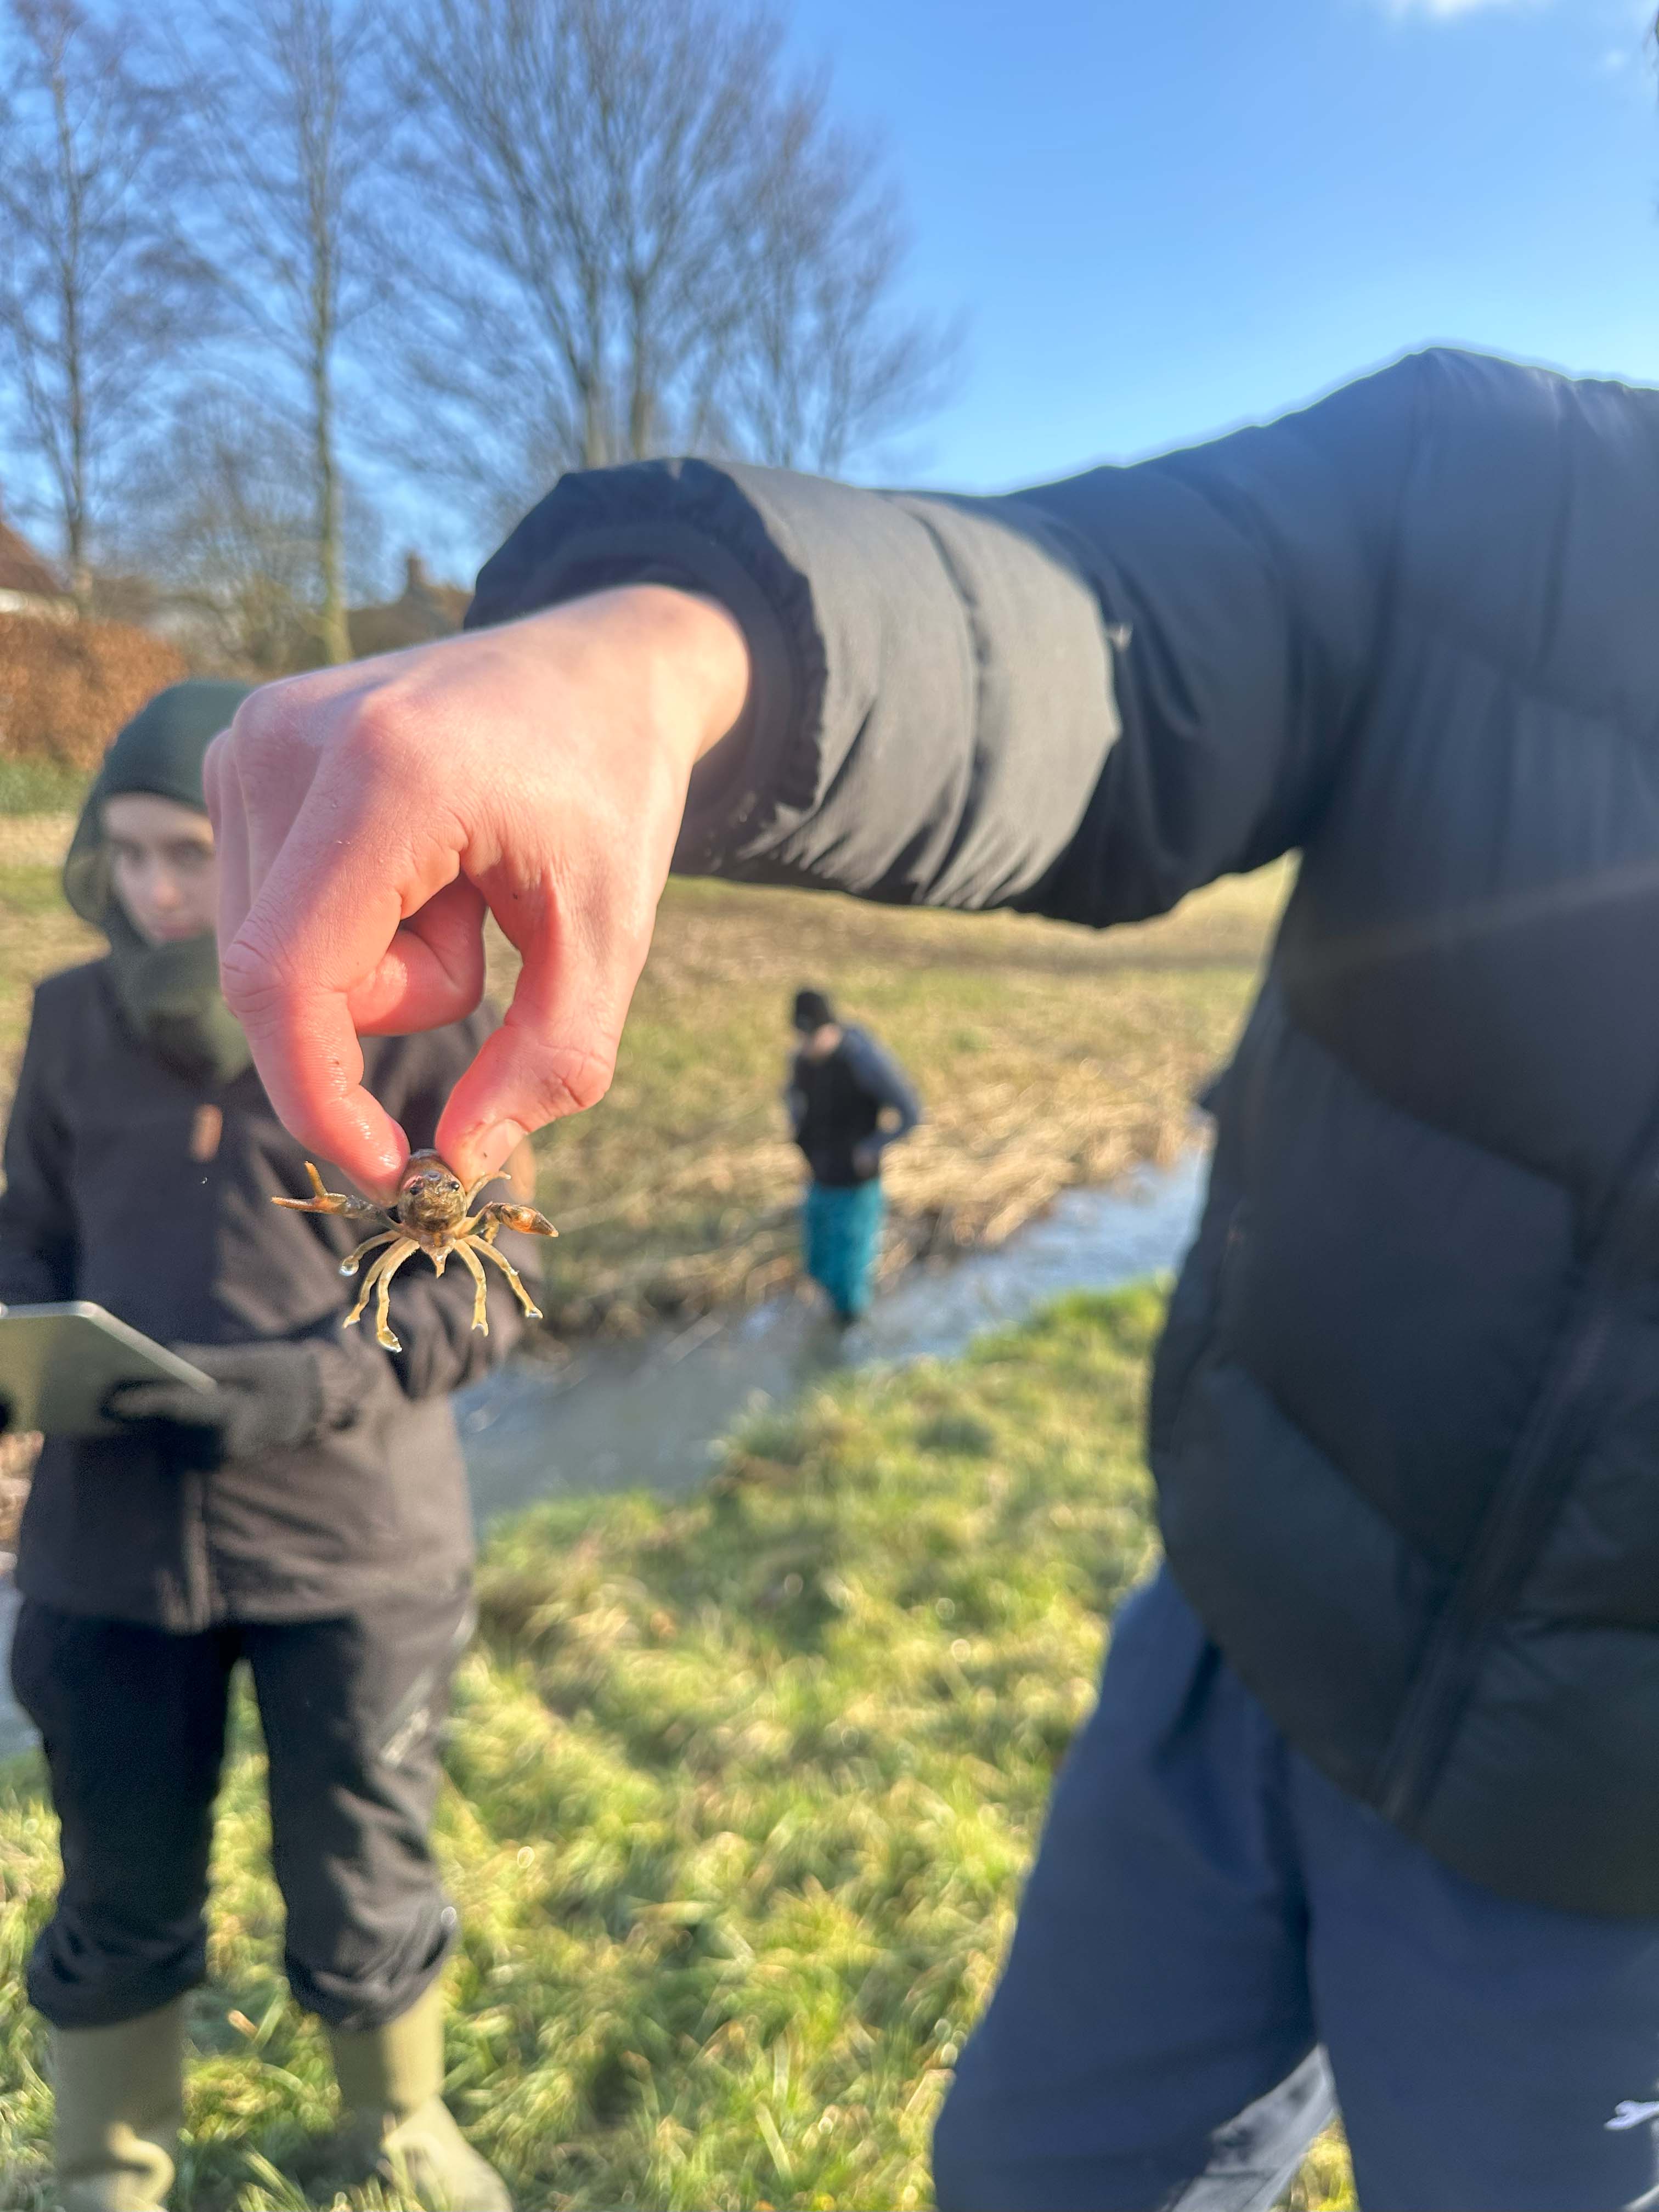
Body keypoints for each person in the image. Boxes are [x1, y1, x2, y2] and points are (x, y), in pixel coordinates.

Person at [203, 344, 1659, 2209]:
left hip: (1614, 1853)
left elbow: (880, 1118)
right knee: (1036, 2168)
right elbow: (1092, 630)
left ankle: (850, 1309)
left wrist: (868, 1156)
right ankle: (838, 1314)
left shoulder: (859, 1067)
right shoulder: (1506, 482)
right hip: (1240, 1620)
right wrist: (683, 649)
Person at [2, 682, 527, 2212]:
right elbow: (27, 1229)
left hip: (352, 1539)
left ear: (282, 858)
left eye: (195, 857)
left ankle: (403, 2128)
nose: (160, 893)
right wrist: (23, 1348)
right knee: (115, 1858)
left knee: (361, 1855)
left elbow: (492, 1292)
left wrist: (313, 1382)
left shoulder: (417, 1026)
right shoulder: (65, 1022)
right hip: (112, 1534)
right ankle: (108, 2156)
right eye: (131, 859)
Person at [785, 986, 920, 1322]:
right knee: (817, 1265)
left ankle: (848, 1341)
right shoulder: (803, 1060)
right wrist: (800, 1131)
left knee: (849, 1278)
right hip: (818, 1177)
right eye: (801, 1037)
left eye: (812, 1036)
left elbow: (911, 1113)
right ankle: (832, 1317)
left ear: (830, 1029)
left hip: (856, 1187)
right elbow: (790, 1093)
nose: (806, 1046)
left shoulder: (863, 1061)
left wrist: (871, 1147)